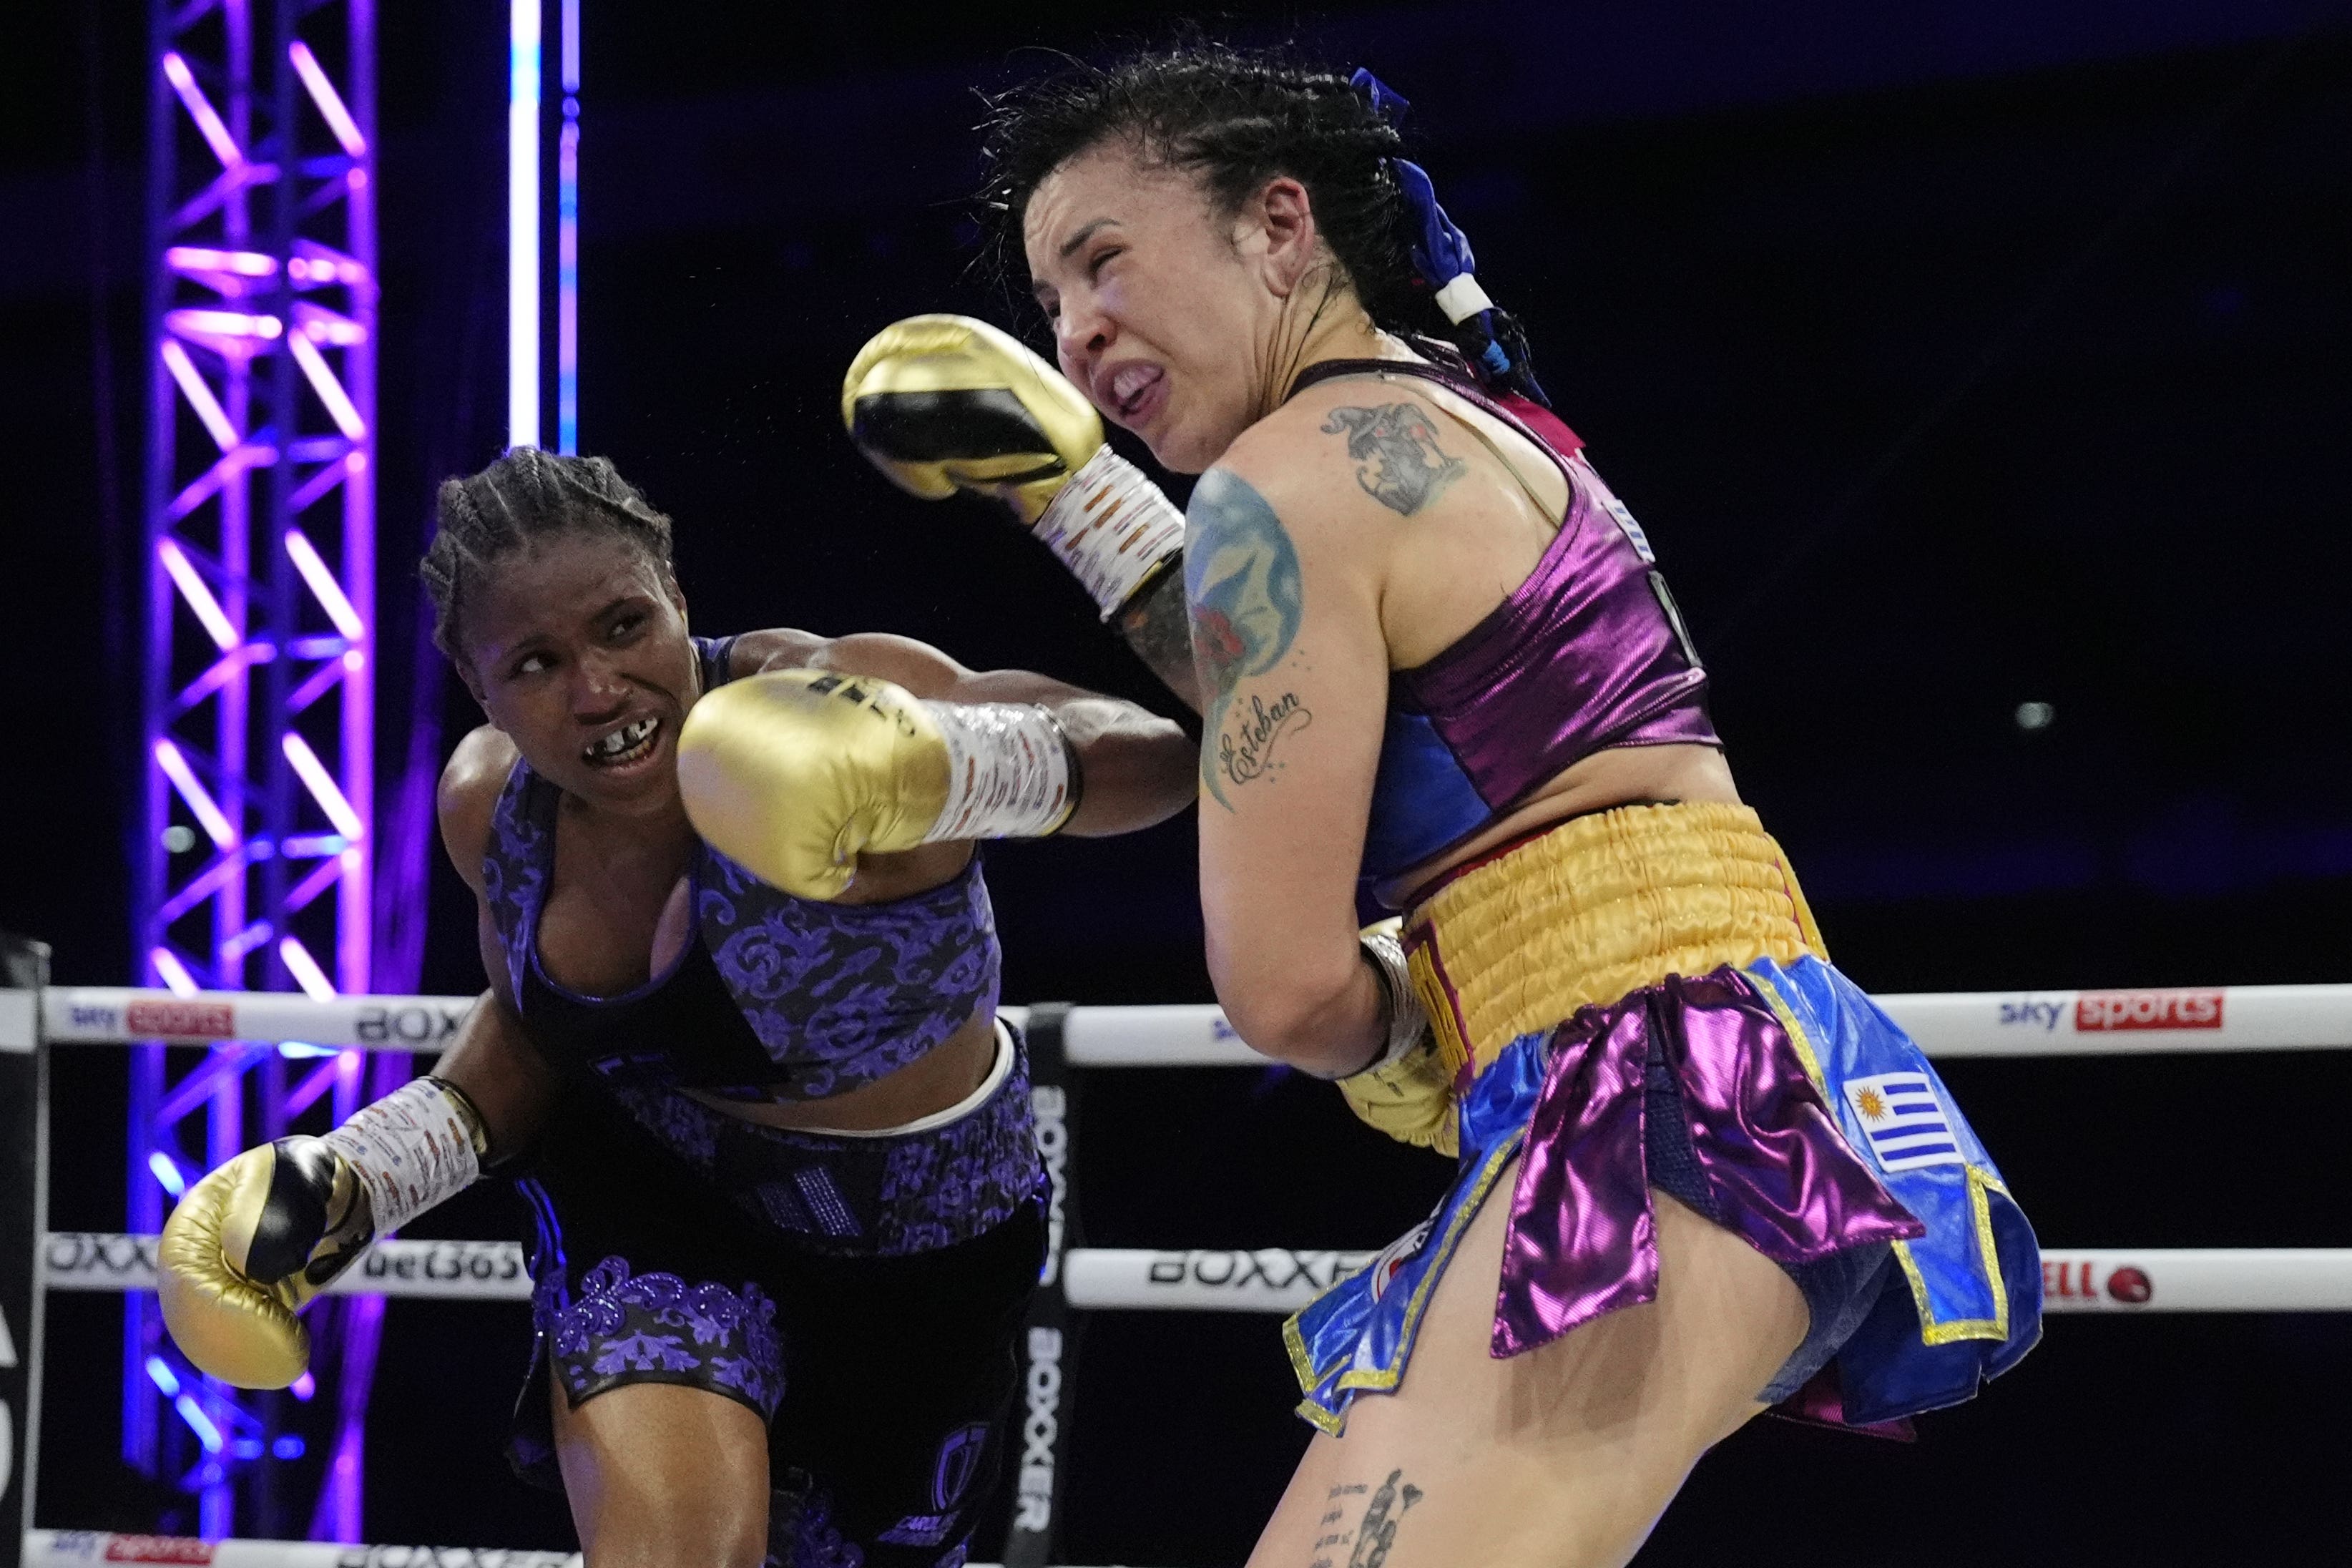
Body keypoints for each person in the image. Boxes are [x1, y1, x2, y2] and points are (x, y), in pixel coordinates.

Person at [846, 46, 2040, 1567]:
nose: (1077, 334)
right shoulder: (1468, 414)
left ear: (1281, 226)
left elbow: (1282, 986)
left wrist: (1403, 1021)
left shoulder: (1280, 484)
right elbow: (1370, 708)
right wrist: (1069, 498)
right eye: (1053, 306)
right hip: (1753, 1068)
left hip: (1639, 1090)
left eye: (1103, 264)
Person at [153, 447, 1196, 1568]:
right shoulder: (494, 814)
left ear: (678, 601)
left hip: (936, 1253)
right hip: (662, 1211)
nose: (598, 691)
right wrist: (362, 1176)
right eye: (538, 663)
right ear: (479, 684)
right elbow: (536, 1038)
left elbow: (1160, 757)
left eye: (620, 628)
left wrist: (950, 767)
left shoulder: (827, 694)